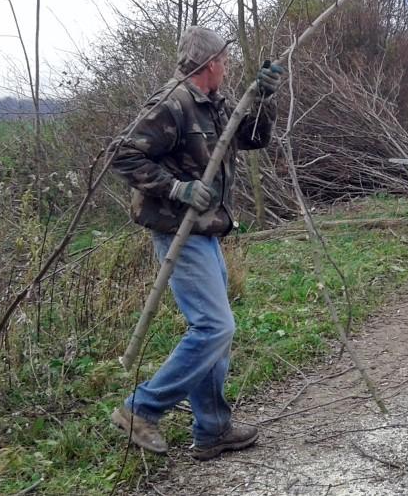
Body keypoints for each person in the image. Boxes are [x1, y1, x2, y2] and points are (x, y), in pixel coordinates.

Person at [110, 26, 282, 460]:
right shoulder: (173, 103)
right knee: (215, 327)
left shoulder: (213, 104)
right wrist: (176, 188)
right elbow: (125, 154)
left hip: (206, 231)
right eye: (225, 60)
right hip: (179, 231)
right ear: (210, 64)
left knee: (214, 329)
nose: (228, 67)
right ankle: (141, 409)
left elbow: (253, 138)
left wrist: (261, 98)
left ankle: (213, 429)